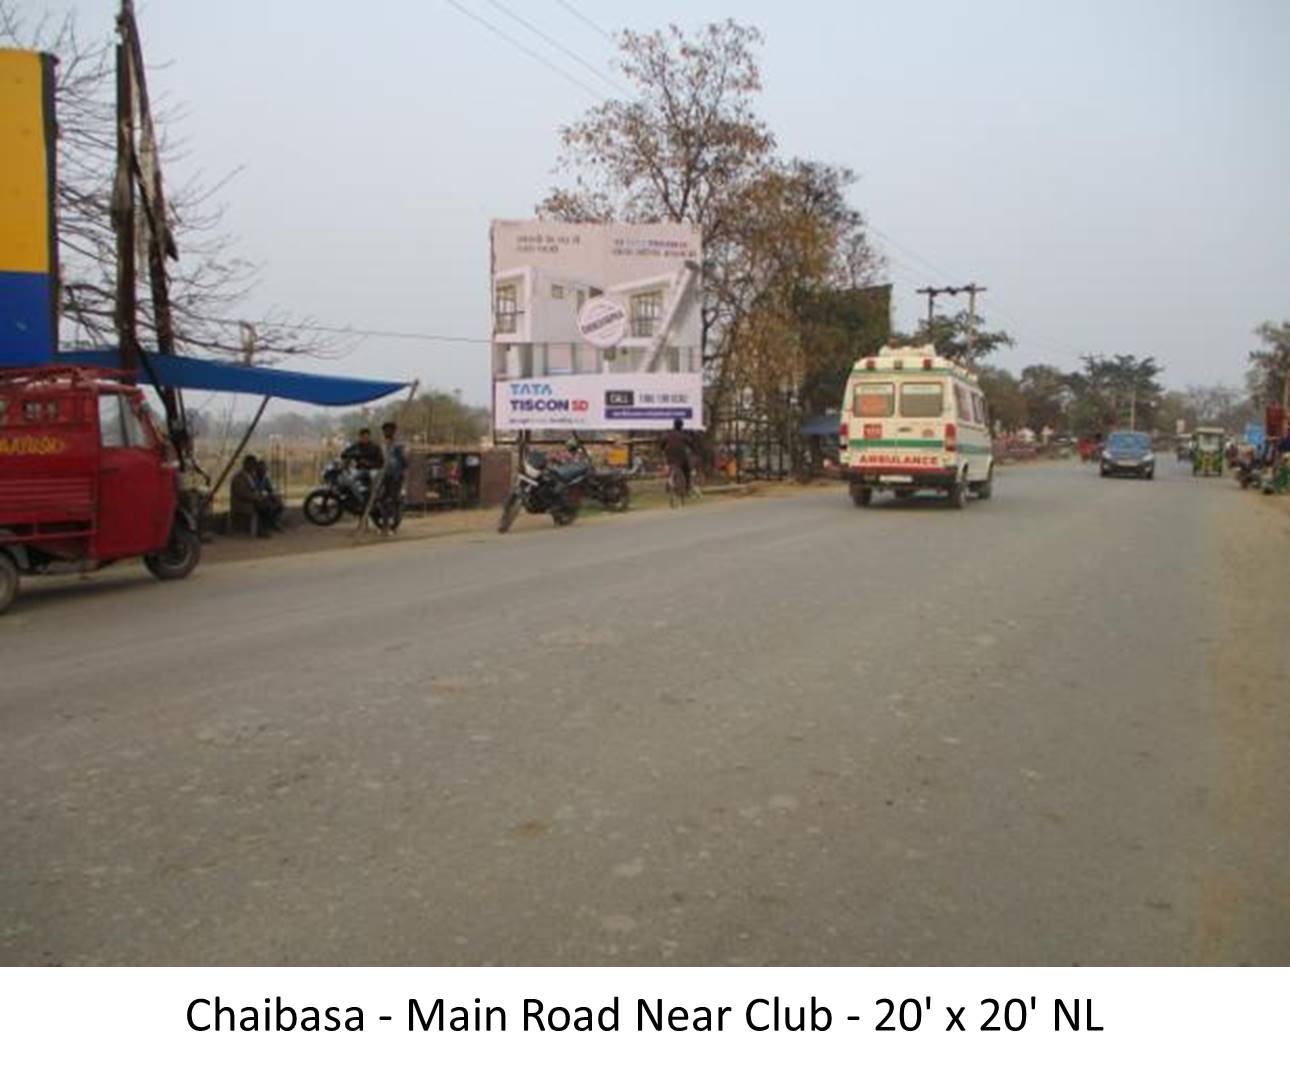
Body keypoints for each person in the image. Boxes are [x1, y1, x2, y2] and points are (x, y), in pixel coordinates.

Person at [229, 455, 274, 537]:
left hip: (251, 500)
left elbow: (257, 489)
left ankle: (265, 527)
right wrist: (256, 497)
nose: (253, 467)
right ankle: (260, 530)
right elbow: (242, 493)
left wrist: (261, 496)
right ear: (246, 464)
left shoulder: (252, 476)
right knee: (261, 506)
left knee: (269, 504)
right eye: (252, 465)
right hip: (241, 503)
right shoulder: (238, 478)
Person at [374, 421, 407, 533]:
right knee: (381, 500)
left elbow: (405, 462)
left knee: (391, 501)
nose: (387, 432)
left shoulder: (398, 445)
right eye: (385, 430)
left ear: (394, 431)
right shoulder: (382, 444)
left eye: (389, 430)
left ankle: (393, 525)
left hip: (395, 476)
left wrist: (397, 469)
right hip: (384, 475)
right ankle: (385, 524)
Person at [660, 417, 692, 496]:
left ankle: (668, 485)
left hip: (670, 456)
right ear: (681, 426)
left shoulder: (668, 434)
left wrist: (663, 449)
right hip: (681, 457)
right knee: (686, 470)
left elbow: (662, 443)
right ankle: (687, 488)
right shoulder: (683, 435)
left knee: (670, 468)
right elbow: (690, 442)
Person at [253, 458, 286, 531]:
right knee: (267, 506)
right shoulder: (253, 478)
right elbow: (253, 491)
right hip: (256, 498)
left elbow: (270, 489)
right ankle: (263, 527)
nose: (263, 471)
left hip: (262, 498)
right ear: (257, 470)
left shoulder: (265, 478)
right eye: (261, 469)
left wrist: (274, 496)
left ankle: (274, 522)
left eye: (264, 469)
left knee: (279, 504)